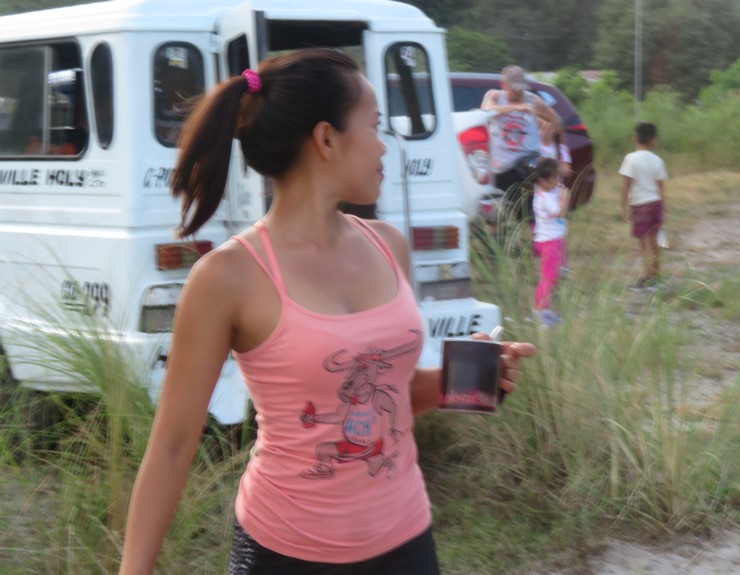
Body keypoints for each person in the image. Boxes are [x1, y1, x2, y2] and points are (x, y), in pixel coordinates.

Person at [117, 48, 536, 575]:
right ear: (327, 139)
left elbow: (396, 395)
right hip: (284, 553)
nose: (384, 146)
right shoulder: (229, 276)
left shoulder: (388, 244)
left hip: (406, 541)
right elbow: (174, 443)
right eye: (375, 126)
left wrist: (470, 377)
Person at [481, 65, 559, 222]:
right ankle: (501, 233)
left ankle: (534, 232)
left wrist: (546, 139)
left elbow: (554, 119)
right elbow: (486, 110)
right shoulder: (495, 96)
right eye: (515, 89)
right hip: (500, 164)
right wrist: (517, 107)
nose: (519, 92)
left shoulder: (533, 101)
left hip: (527, 161)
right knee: (496, 211)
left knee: (526, 211)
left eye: (521, 88)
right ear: (504, 84)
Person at [619, 121, 668, 291]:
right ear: (654, 141)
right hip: (655, 203)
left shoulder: (630, 159)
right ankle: (656, 276)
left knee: (644, 242)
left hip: (640, 205)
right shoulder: (658, 161)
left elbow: (626, 185)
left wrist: (623, 207)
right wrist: (664, 208)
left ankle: (647, 277)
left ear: (634, 138)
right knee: (654, 241)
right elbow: (661, 187)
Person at [531, 158, 569, 327]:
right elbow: (560, 212)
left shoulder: (546, 190)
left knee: (553, 277)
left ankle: (545, 310)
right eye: (554, 179)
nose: (557, 182)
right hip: (549, 241)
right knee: (547, 278)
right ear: (542, 181)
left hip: (555, 238)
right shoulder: (544, 197)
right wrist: (566, 198)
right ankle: (539, 311)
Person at [538, 119, 572, 276]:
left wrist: (555, 167)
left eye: (550, 125)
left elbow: (567, 170)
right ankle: (548, 262)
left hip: (557, 193)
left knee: (561, 228)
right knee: (545, 227)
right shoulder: (537, 146)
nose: (547, 128)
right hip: (542, 194)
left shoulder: (560, 148)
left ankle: (562, 264)